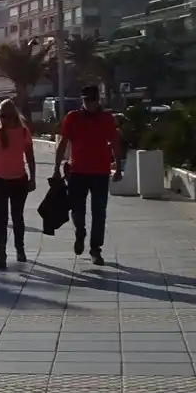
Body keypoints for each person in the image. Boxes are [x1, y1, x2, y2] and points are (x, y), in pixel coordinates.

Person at [53, 82, 122, 264]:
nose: (89, 104)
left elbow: (115, 142)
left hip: (100, 172)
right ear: (81, 101)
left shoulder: (106, 119)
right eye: (85, 101)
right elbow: (62, 143)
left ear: (97, 100)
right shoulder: (73, 118)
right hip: (77, 171)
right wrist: (56, 169)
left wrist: (119, 168)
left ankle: (95, 249)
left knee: (99, 212)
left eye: (92, 101)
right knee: (77, 209)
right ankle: (80, 232)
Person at [0, 98, 36, 268]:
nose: (2, 119)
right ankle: (1, 253)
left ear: (12, 116)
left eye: (5, 116)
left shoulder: (24, 133)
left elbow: (30, 157)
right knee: (0, 219)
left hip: (19, 180)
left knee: (18, 218)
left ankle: (20, 249)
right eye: (0, 116)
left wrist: (33, 178)